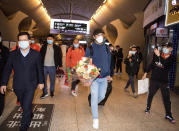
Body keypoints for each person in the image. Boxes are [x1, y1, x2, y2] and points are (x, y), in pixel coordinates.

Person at [0, 32, 44, 131]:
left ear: (29, 41)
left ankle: (23, 127)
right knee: (25, 105)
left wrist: (41, 82)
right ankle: (29, 113)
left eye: (25, 40)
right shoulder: (12, 54)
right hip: (17, 85)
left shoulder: (36, 54)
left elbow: (39, 69)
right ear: (18, 42)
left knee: (26, 106)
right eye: (20, 40)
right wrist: (3, 83)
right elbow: (7, 69)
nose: (22, 42)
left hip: (31, 85)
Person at [142, 42, 176, 124]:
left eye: (167, 47)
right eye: (164, 46)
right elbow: (152, 64)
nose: (165, 48)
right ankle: (148, 108)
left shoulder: (172, 58)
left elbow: (164, 65)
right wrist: (145, 73)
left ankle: (168, 114)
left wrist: (158, 56)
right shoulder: (158, 55)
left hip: (164, 81)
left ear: (171, 49)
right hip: (154, 79)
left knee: (166, 98)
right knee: (151, 94)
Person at [85, 29, 111, 129]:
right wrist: (88, 78)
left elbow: (108, 62)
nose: (101, 37)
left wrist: (109, 74)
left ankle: (93, 103)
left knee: (102, 96)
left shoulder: (107, 48)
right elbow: (85, 64)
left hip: (104, 78)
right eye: (98, 35)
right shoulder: (90, 48)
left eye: (102, 35)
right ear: (94, 36)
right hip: (94, 79)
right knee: (95, 97)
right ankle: (95, 119)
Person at [40, 34, 62, 98]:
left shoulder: (57, 47)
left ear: (53, 40)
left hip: (52, 66)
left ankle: (52, 92)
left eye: (50, 39)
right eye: (48, 39)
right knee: (44, 80)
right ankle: (45, 92)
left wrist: (60, 65)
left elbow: (59, 57)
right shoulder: (43, 47)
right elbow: (40, 56)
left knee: (52, 80)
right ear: (47, 40)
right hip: (44, 66)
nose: (49, 40)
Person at [0, 32, 9, 117]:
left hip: (2, 76)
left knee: (1, 94)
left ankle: (0, 111)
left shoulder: (5, 50)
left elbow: (8, 65)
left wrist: (4, 81)